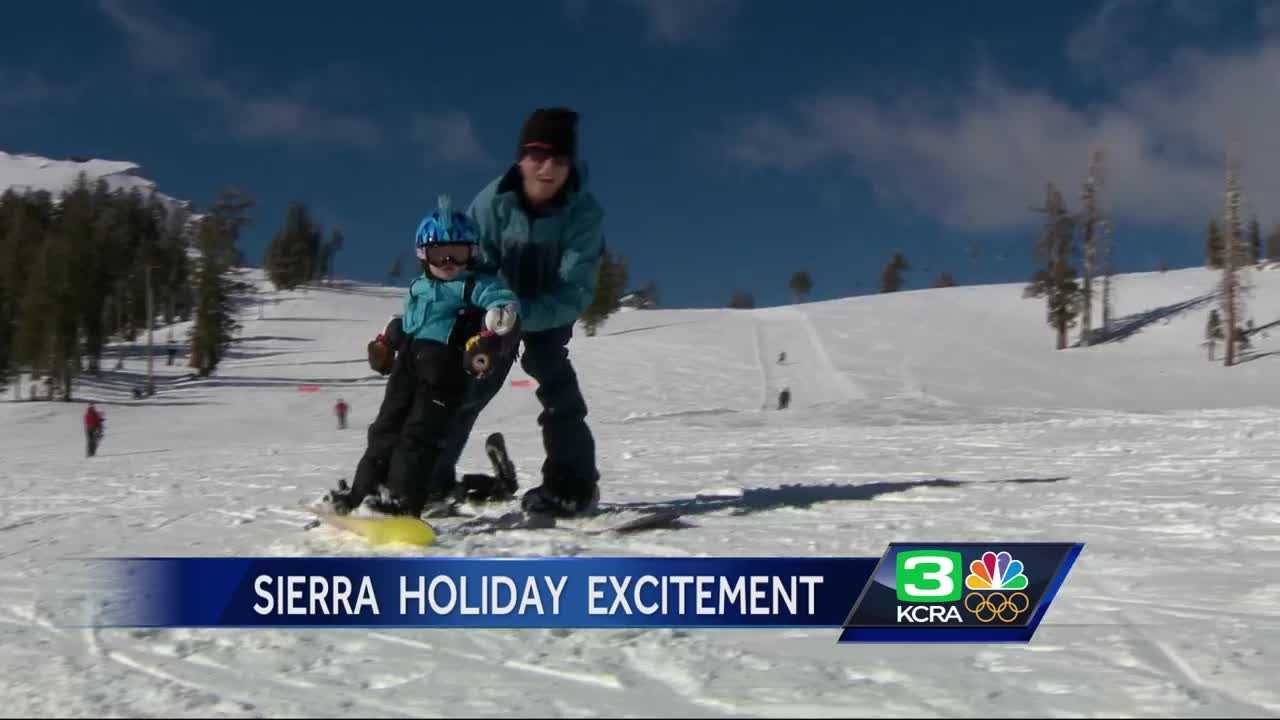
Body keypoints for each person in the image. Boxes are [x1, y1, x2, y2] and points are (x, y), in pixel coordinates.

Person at [428, 107, 606, 518]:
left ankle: (572, 485)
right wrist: (492, 313)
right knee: (468, 384)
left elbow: (575, 289)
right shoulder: (493, 203)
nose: (547, 167)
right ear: (521, 157)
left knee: (556, 383)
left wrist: (523, 314)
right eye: (537, 155)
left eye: (559, 158)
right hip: (494, 308)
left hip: (548, 308)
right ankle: (430, 479)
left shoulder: (583, 213)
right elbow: (470, 266)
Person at [323, 199, 521, 517]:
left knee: (419, 436)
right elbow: (408, 322)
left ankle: (402, 502)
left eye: (456, 254)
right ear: (422, 254)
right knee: (384, 430)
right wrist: (387, 342)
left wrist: (489, 336)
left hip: (445, 371)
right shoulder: (419, 288)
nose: (447, 261)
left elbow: (503, 305)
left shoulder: (473, 285)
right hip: (408, 366)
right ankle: (363, 493)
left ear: (472, 253)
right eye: (437, 253)